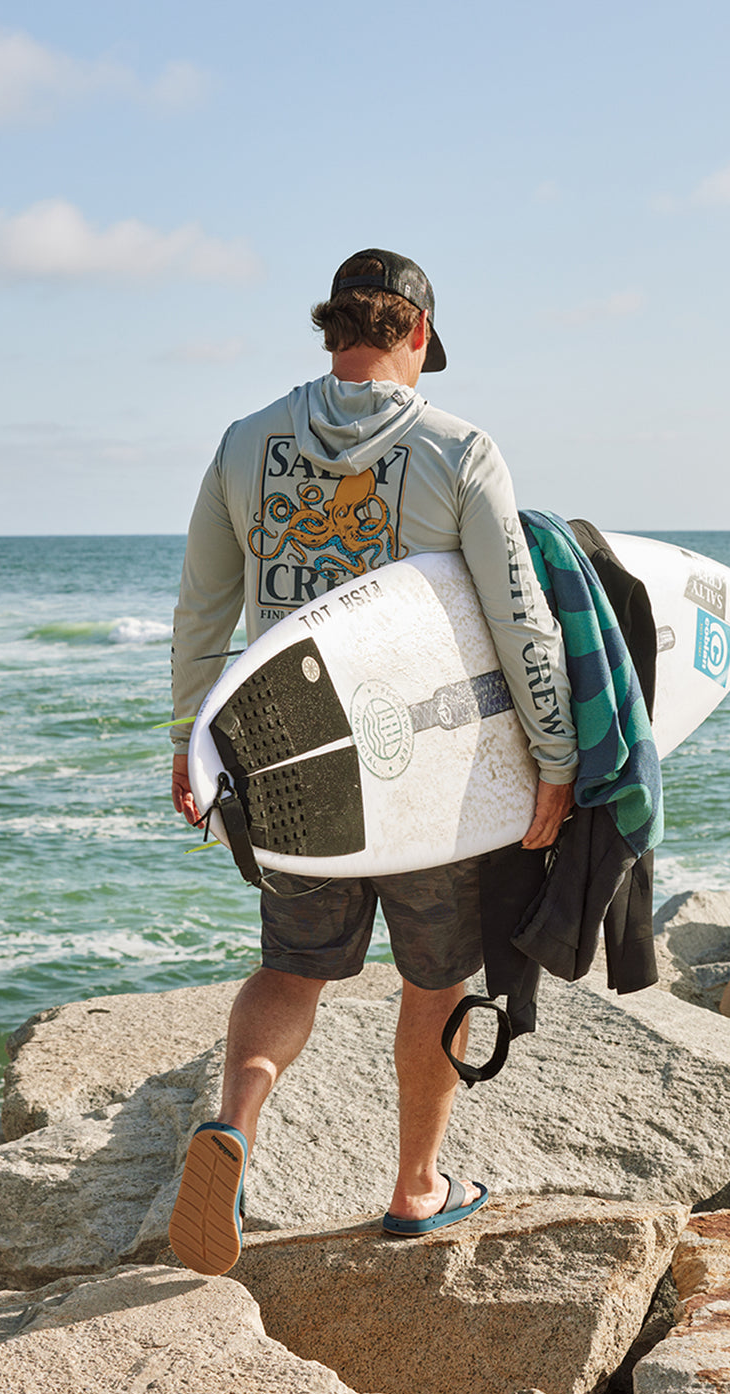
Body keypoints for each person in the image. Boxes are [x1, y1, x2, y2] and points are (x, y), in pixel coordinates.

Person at [166, 249, 578, 1275]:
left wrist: (191, 735)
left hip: (294, 761)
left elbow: (204, 607)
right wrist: (555, 756)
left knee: (290, 967)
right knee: (435, 977)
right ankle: (414, 1188)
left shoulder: (243, 442)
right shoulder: (459, 447)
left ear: (332, 330)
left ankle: (233, 1125)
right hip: (425, 771)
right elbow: (515, 614)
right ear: (417, 336)